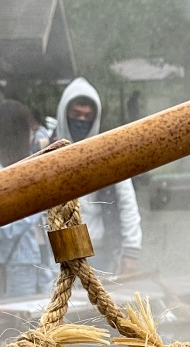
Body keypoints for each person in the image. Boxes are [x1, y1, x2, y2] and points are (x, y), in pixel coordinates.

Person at [54, 78, 141, 276]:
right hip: (58, 252)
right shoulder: (47, 157)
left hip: (100, 250)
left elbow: (128, 204)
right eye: (76, 114)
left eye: (87, 115)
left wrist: (131, 253)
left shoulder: (108, 156)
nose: (82, 120)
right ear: (64, 113)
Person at [0, 100, 54, 299]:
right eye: (29, 130)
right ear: (17, 133)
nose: (32, 136)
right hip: (15, 263)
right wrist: (38, 206)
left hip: (41, 259)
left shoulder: (25, 170)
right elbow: (2, 227)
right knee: (20, 324)